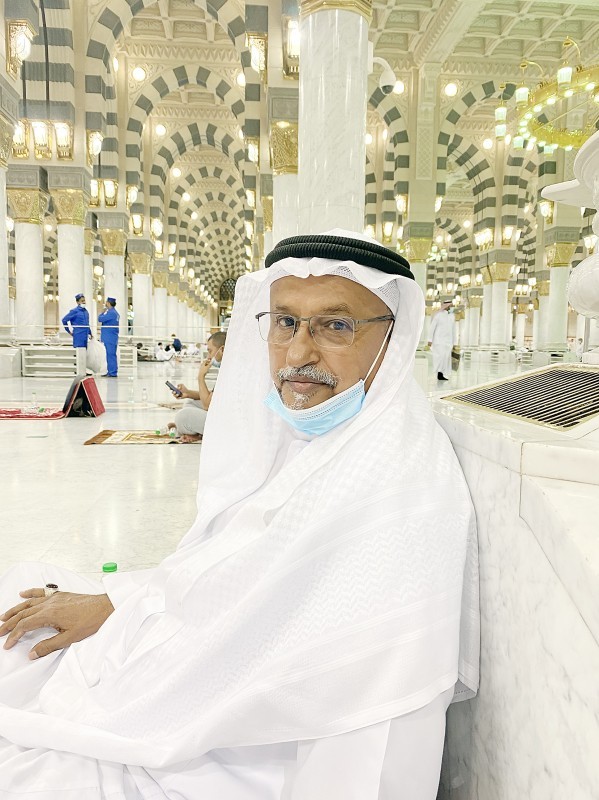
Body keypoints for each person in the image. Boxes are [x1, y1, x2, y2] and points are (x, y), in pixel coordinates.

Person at [0, 230, 478, 799]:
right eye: (285, 323)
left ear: (392, 338)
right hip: (176, 673)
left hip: (231, 744)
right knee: (20, 598)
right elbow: (232, 573)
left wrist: (125, 622)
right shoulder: (318, 434)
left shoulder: (395, 482)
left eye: (335, 325)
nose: (297, 354)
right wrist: (118, 604)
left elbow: (364, 716)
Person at [168, 331, 226, 442]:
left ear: (222, 349)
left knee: (183, 417)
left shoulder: (228, 371)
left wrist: (200, 376)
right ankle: (198, 433)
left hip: (227, 423)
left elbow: (207, 406)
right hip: (223, 412)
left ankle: (195, 432)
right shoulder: (227, 367)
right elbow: (214, 397)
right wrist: (188, 393)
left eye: (210, 351)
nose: (209, 356)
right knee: (190, 402)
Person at [61, 293, 91, 374]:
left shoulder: (86, 312)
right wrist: (68, 331)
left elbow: (87, 324)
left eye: (84, 300)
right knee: (78, 353)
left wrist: (90, 333)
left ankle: (83, 370)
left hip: (85, 335)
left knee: (84, 354)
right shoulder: (74, 311)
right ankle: (78, 371)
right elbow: (64, 320)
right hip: (78, 335)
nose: (84, 302)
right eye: (82, 301)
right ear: (77, 302)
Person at [428, 300, 455, 381]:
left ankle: (442, 373)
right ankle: (439, 373)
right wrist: (430, 340)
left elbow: (454, 330)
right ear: (447, 306)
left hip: (448, 342)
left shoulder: (451, 316)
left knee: (446, 358)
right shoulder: (438, 315)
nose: (451, 307)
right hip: (439, 341)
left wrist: (455, 342)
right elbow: (432, 328)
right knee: (440, 357)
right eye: (450, 305)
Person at [98, 297, 120, 377]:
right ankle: (111, 371)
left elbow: (100, 319)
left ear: (108, 303)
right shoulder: (115, 313)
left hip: (109, 336)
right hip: (112, 336)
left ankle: (112, 372)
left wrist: (102, 313)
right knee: (111, 354)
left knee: (111, 355)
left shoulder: (111, 313)